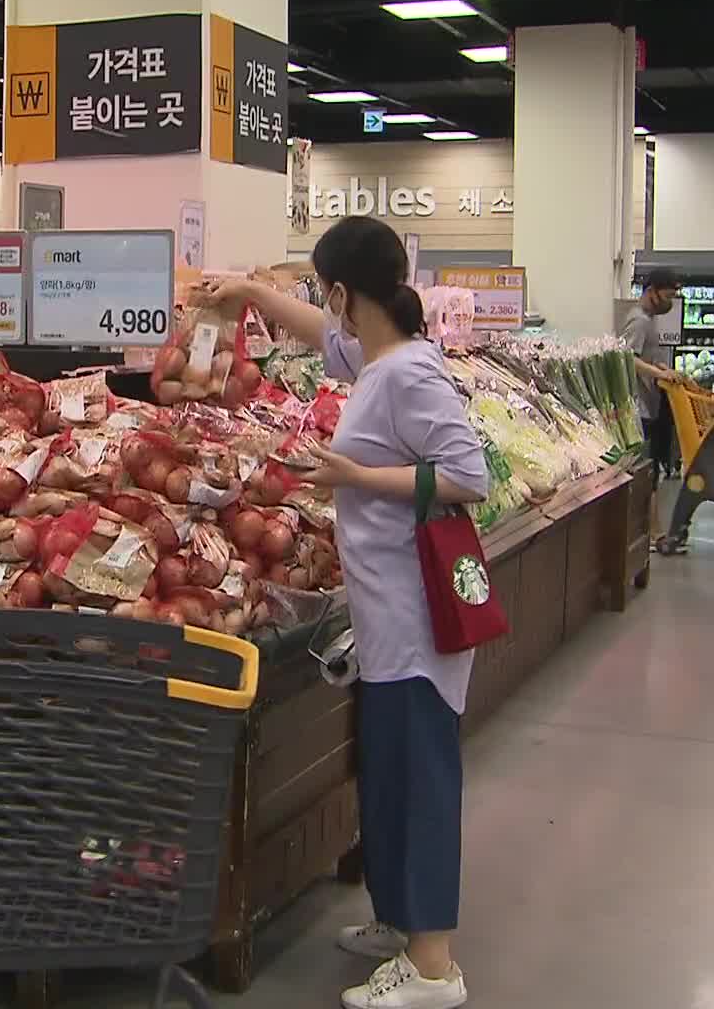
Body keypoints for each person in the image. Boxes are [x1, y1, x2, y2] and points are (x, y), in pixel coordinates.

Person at [209, 216, 488, 1009]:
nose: (317, 307)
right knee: (390, 778)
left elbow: (467, 475)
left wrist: (354, 477)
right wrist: (255, 293)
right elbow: (317, 337)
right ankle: (401, 923)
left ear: (342, 292)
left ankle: (434, 970)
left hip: (417, 620)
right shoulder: (379, 356)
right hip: (386, 618)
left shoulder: (408, 377)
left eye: (318, 292)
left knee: (422, 782)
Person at [620, 268, 686, 548]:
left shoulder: (649, 320)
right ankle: (654, 535)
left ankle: (655, 533)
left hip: (649, 407)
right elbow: (626, 359)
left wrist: (660, 368)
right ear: (652, 291)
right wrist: (658, 374)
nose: (670, 302)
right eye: (668, 295)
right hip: (639, 411)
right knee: (648, 473)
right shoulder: (638, 322)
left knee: (651, 471)